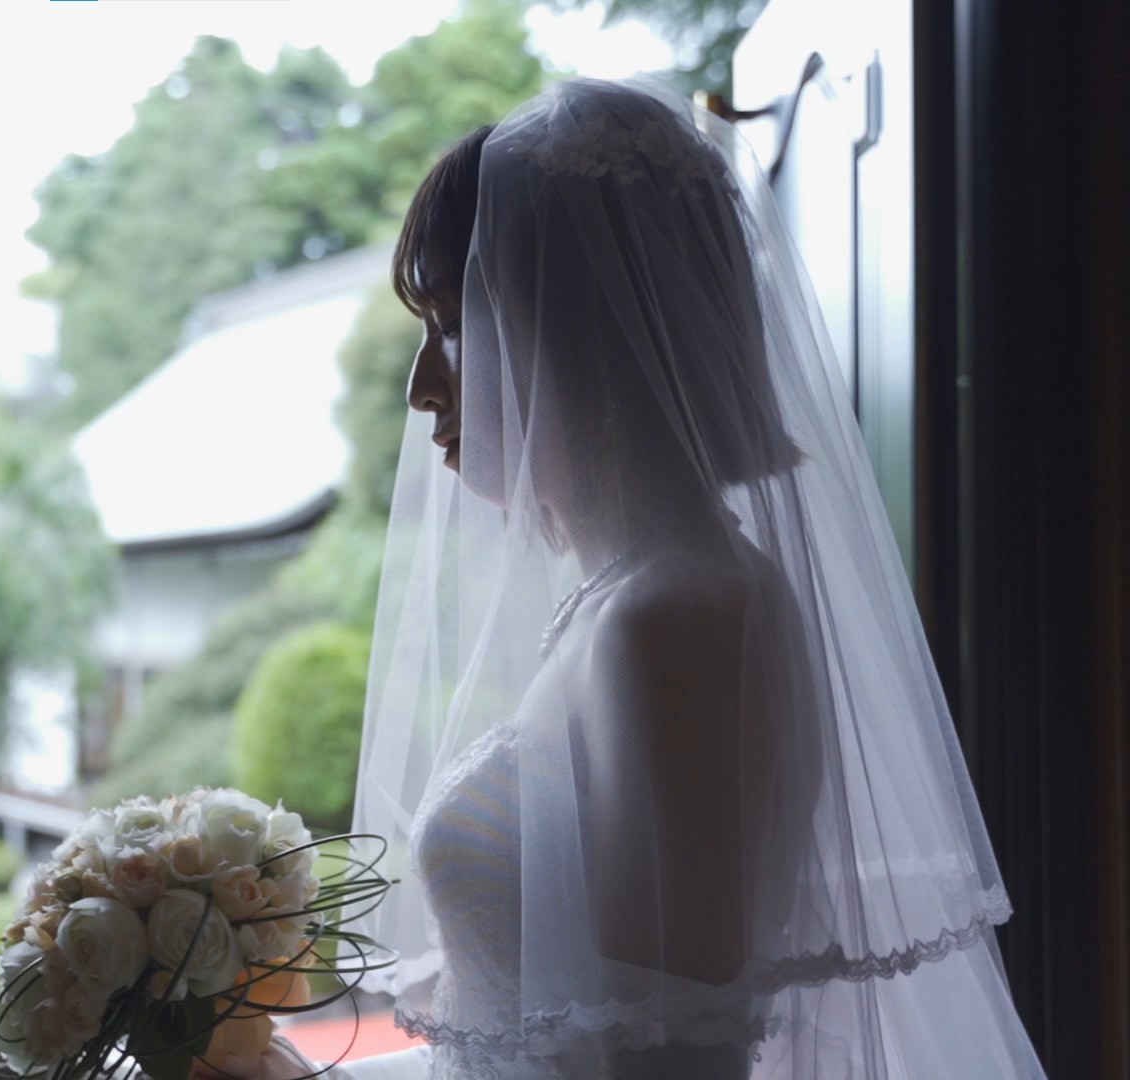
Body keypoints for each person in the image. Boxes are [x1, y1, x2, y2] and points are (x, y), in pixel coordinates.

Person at [335, 79, 1047, 1078]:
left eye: (454, 323)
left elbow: (668, 1059)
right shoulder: (635, 599)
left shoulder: (673, 620)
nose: (422, 388)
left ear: (581, 326)